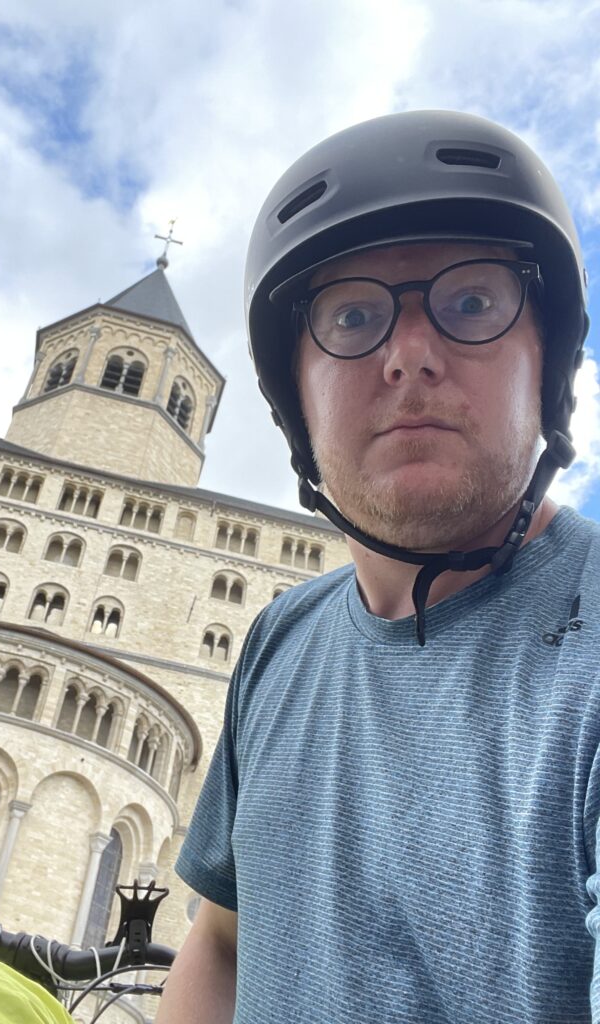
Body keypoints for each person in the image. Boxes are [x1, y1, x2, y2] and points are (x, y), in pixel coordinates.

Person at [155, 110, 600, 1024]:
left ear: (547, 367)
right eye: (353, 316)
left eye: (472, 302)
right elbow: (222, 939)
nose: (409, 357)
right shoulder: (282, 638)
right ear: (296, 400)